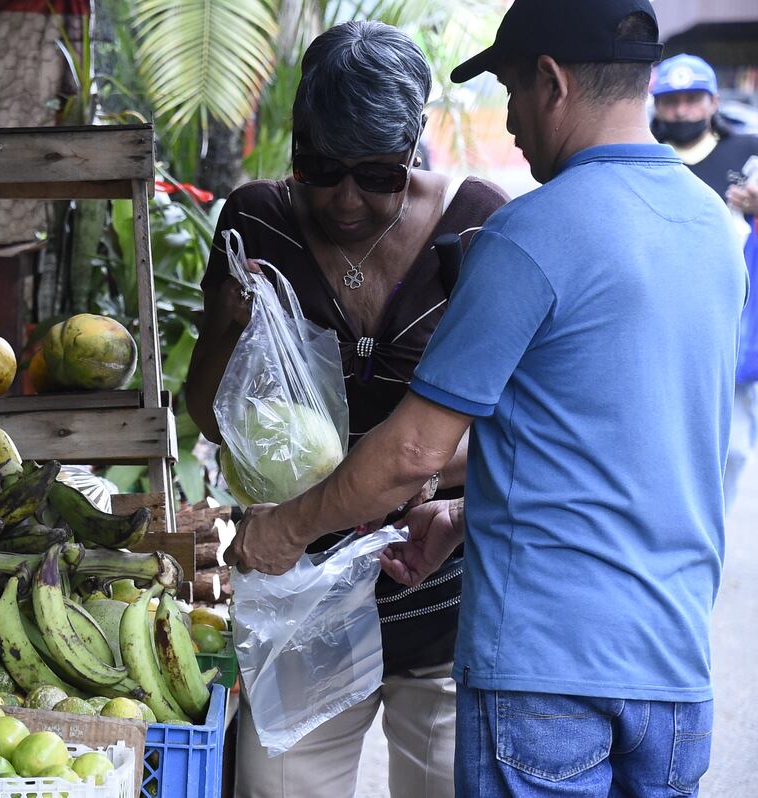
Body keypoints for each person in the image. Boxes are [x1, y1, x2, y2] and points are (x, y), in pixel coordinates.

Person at [225, 0, 747, 796]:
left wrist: (285, 528)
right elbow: (632, 448)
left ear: (551, 81)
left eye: (508, 89)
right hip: (672, 670)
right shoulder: (715, 229)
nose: (507, 123)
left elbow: (413, 451)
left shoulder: (525, 236)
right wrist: (468, 515)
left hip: (543, 670)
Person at [184, 21, 508, 798]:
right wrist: (228, 325)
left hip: (441, 591)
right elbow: (209, 414)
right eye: (321, 169)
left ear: (414, 147)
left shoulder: (478, 225)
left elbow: (512, 423)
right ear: (294, 144)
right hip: (301, 597)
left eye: (378, 174)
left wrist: (420, 471)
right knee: (275, 786)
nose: (347, 199)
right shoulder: (256, 221)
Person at [651, 53, 758, 511]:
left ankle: (712, 529)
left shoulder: (747, 152)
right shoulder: (643, 154)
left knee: (732, 448)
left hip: (732, 323)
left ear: (713, 101)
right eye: (671, 100)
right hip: (658, 320)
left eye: (693, 99)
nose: (682, 111)